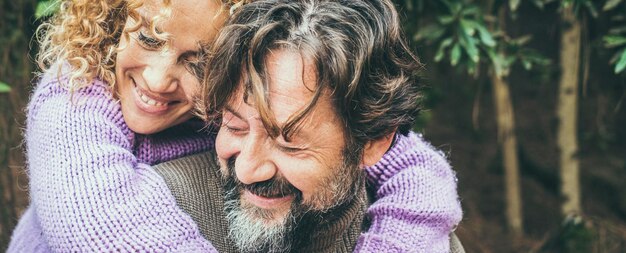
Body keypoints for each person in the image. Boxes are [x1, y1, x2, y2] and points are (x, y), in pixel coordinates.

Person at [8, 0, 460, 252]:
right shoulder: (77, 95)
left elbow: (413, 167)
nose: (158, 78)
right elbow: (95, 224)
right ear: (110, 19)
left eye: (199, 61)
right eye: (148, 38)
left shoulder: (239, 97)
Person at [152, 0, 463, 252]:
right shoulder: (160, 207)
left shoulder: (430, 241)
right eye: (234, 126)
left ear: (372, 143)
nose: (247, 169)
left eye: (289, 144)